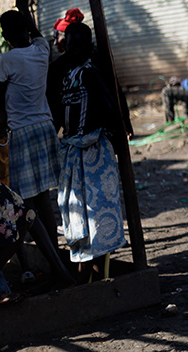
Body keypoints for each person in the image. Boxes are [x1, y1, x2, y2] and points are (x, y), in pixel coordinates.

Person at [0, 0, 75, 289]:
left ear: (4, 35)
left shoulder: (6, 61)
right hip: (45, 129)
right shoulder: (42, 48)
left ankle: (38, 267)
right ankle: (54, 261)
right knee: (43, 201)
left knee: (21, 207)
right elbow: (24, 9)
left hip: (22, 134)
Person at [55, 22, 127, 283]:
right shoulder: (66, 74)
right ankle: (88, 281)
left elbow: (111, 106)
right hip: (76, 155)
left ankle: (93, 281)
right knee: (82, 218)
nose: (74, 50)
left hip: (94, 154)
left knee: (94, 219)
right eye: (71, 45)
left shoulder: (89, 73)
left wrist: (118, 134)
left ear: (87, 48)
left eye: (78, 45)